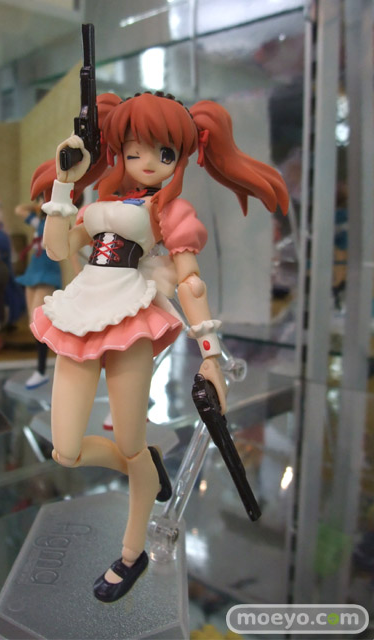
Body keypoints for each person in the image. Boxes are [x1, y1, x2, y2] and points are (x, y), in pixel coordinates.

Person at [30, 91, 289, 602]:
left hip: (131, 317)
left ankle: (132, 553)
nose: (148, 162)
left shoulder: (169, 211)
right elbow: (57, 248)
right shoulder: (97, 204)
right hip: (80, 312)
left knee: (129, 444)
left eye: (164, 153)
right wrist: (64, 180)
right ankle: (144, 467)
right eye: (135, 150)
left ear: (180, 158)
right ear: (118, 149)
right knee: (67, 450)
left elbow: (191, 283)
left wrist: (211, 354)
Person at [15, 200, 63, 389]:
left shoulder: (57, 221)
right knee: (34, 325)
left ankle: (43, 369)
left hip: (47, 274)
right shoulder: (39, 221)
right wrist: (37, 205)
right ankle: (42, 369)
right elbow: (19, 209)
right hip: (33, 272)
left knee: (40, 323)